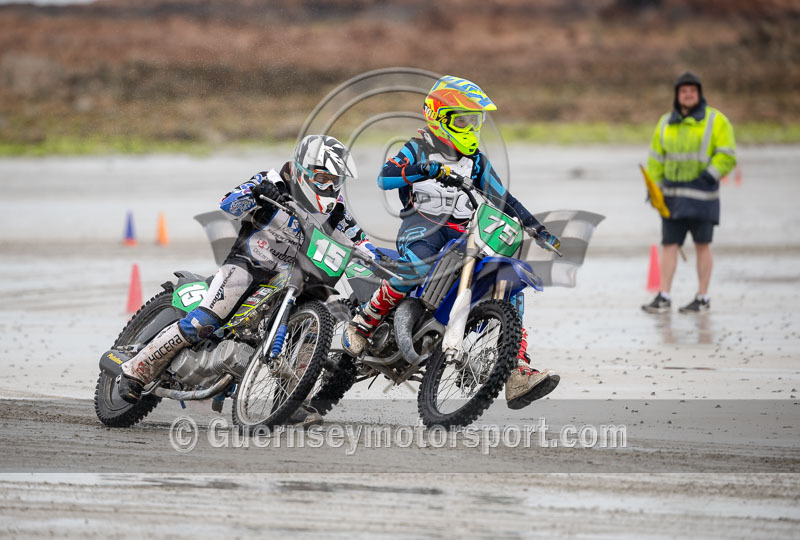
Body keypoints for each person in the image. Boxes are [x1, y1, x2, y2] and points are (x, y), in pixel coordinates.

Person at [118, 135, 375, 425]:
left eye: (335, 180)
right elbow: (227, 204)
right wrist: (255, 194)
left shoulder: (337, 212)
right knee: (204, 321)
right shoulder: (274, 182)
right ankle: (136, 370)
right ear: (302, 170)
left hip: (294, 277)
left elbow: (362, 244)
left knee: (309, 330)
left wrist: (383, 263)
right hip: (249, 265)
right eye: (322, 178)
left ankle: (292, 401)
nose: (329, 187)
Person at [342, 75, 561, 408]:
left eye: (475, 121)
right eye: (463, 121)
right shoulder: (417, 147)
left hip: (463, 233)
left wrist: (538, 229)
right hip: (421, 228)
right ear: (439, 117)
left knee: (507, 283)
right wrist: (425, 169)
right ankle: (363, 324)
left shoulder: (476, 162)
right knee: (417, 268)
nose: (470, 128)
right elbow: (386, 177)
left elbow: (503, 198)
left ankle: (517, 370)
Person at [642, 71, 737, 314]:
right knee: (669, 245)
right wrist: (653, 190)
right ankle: (664, 296)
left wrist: (710, 176)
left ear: (699, 94)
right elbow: (655, 160)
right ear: (677, 95)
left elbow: (727, 155)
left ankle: (702, 297)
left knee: (702, 245)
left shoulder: (716, 121)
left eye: (692, 91)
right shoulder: (665, 122)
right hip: (672, 199)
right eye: (683, 91)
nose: (688, 94)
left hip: (702, 197)